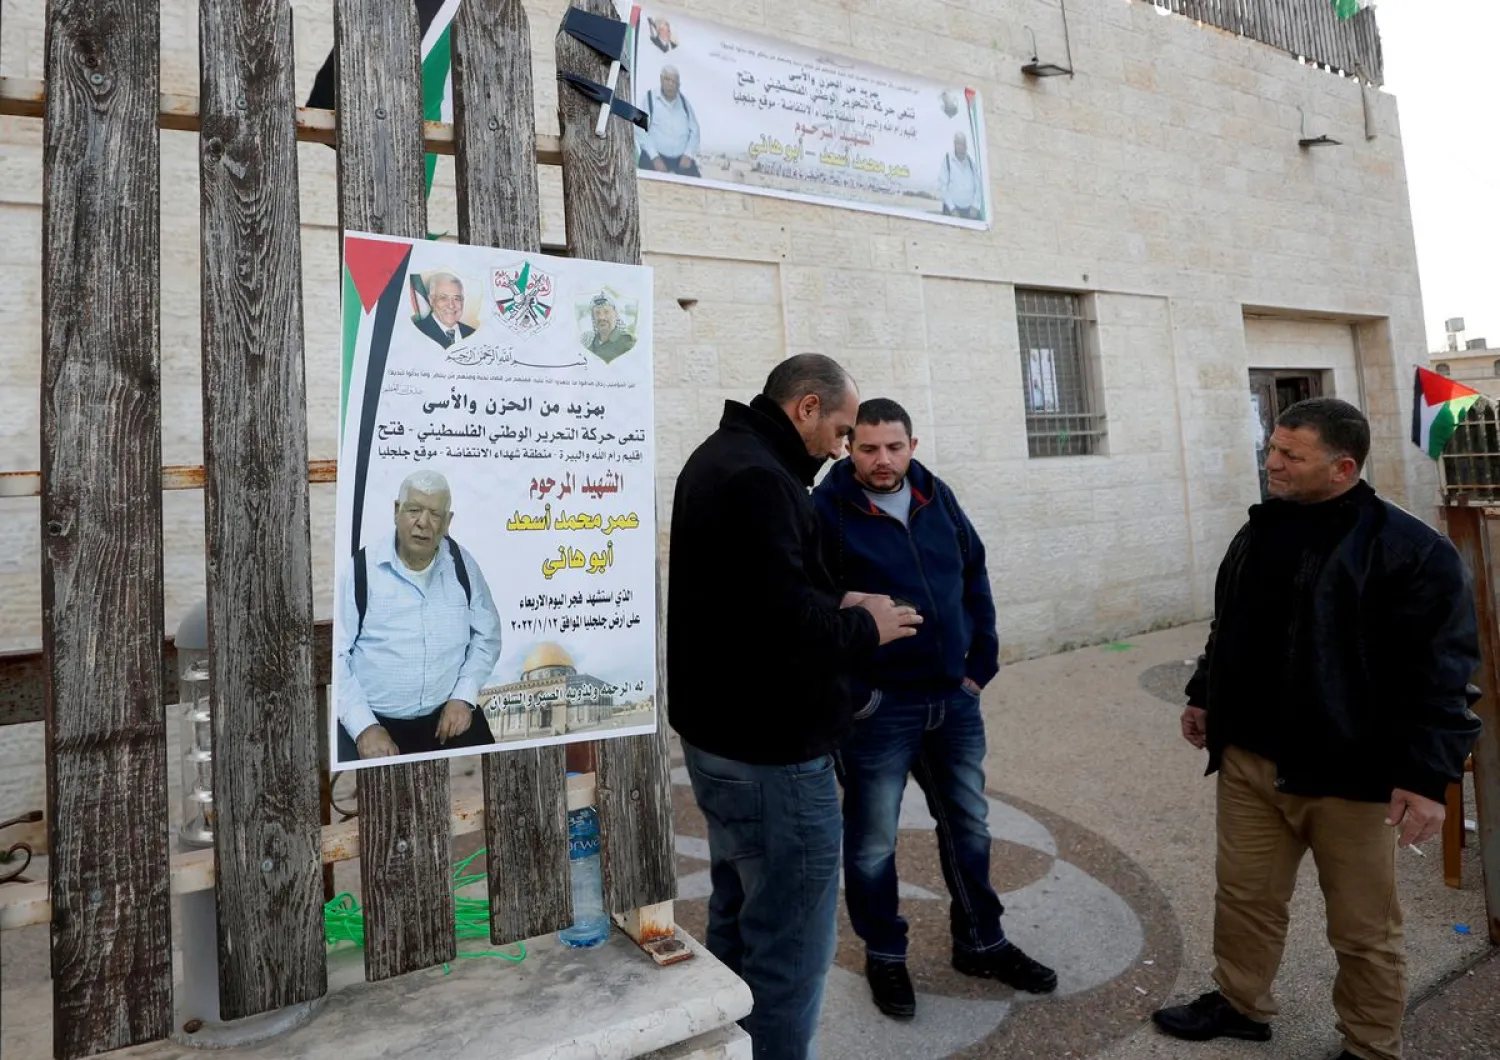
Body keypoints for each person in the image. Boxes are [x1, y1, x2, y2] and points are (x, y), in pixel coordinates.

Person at [1152, 398, 1482, 1060]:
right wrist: (1203, 696)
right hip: (1249, 764)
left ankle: (1368, 1045)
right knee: (1244, 899)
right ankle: (1241, 1003)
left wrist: (1425, 779)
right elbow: (1231, 627)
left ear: (1343, 467)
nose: (1271, 462)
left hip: (1350, 778)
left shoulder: (1413, 551)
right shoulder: (1260, 531)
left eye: (1289, 454)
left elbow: (1445, 675)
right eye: (1271, 448)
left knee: (1363, 931)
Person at [669, 355, 923, 1060]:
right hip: (772, 753)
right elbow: (782, 631)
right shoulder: (758, 478)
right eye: (843, 431)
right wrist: (865, 626)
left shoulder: (727, 458)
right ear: (807, 408)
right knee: (788, 958)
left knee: (739, 922)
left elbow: (752, 598)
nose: (844, 448)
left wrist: (840, 600)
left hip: (728, 741)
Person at [811, 398, 1057, 1021]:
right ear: (850, 447)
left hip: (953, 700)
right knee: (872, 845)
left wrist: (981, 666)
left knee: (969, 826)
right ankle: (886, 956)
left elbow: (974, 574)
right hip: (878, 710)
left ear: (912, 445)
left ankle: (981, 942)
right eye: (868, 448)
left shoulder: (935, 494)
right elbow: (809, 605)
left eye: (894, 447)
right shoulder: (826, 510)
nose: (882, 460)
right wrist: (857, 695)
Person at [334, 469, 503, 763]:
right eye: (414, 510)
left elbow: (487, 636)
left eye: (435, 514)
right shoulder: (361, 570)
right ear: (396, 511)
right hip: (378, 725)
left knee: (497, 783)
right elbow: (337, 654)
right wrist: (364, 727)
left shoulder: (462, 565)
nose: (423, 523)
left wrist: (463, 697)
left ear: (447, 522)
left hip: (449, 719)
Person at [635, 66, 701, 178]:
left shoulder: (684, 103)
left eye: (674, 82)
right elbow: (640, 129)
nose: (671, 84)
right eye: (667, 80)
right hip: (655, 157)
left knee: (697, 185)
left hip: (680, 160)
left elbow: (695, 131)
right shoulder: (649, 98)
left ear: (679, 85)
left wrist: (688, 154)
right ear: (661, 80)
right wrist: (655, 157)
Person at [414, 273, 475, 349]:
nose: (451, 305)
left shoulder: (474, 334)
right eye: (443, 298)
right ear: (431, 300)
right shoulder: (415, 333)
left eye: (456, 298)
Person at [939, 132, 981, 220]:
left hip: (969, 212)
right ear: (955, 144)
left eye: (964, 144)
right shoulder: (948, 160)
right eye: (959, 144)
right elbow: (943, 187)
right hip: (952, 212)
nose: (962, 147)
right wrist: (952, 209)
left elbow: (978, 185)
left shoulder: (971, 162)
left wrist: (975, 206)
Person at [583, 294, 636, 363]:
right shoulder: (589, 344)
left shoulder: (628, 344)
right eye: (597, 313)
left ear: (616, 314)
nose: (601, 317)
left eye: (606, 312)